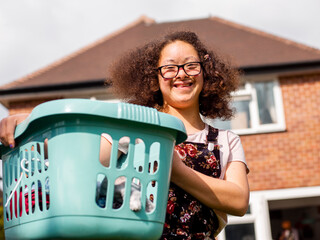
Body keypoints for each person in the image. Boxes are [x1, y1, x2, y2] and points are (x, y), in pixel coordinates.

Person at [0, 31, 249, 239]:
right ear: (155, 78)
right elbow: (80, 157)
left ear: (206, 73)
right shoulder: (134, 127)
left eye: (191, 66)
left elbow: (238, 202)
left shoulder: (225, 140)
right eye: (170, 68)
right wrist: (28, 122)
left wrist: (174, 168)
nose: (181, 74)